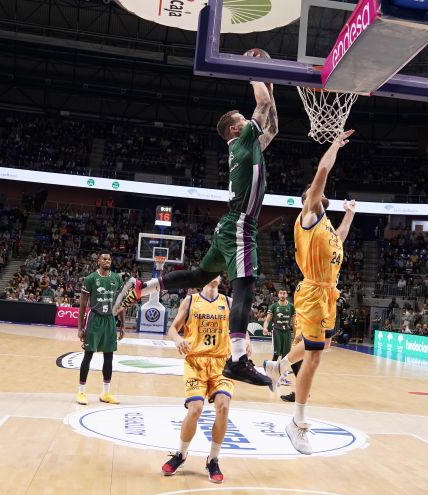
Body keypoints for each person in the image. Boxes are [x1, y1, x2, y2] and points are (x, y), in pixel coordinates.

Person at [114, 76, 278, 388]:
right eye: (243, 120)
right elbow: (263, 105)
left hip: (230, 225)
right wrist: (258, 71)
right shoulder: (243, 143)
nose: (248, 121)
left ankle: (142, 286)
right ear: (234, 130)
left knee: (200, 276)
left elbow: (272, 126)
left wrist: (270, 91)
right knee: (245, 285)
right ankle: (239, 359)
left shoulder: (247, 146)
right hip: (241, 224)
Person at [263, 129, 357, 454]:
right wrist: (334, 146)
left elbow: (340, 239)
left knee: (320, 352)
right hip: (313, 293)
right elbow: (321, 172)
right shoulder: (308, 217)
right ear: (309, 201)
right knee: (314, 356)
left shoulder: (327, 226)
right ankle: (297, 422)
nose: (316, 194)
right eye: (313, 194)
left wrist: (349, 214)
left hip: (329, 294)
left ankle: (279, 366)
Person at [161, 276, 250, 484]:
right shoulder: (190, 301)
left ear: (220, 278)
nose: (213, 275)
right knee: (195, 409)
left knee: (224, 407)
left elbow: (241, 331)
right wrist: (178, 339)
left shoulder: (228, 302)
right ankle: (181, 454)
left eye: (217, 272)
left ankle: (213, 459)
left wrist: (246, 342)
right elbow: (172, 329)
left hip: (221, 363)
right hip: (196, 362)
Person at [76, 251, 125, 406]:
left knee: (109, 357)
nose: (107, 261)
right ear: (98, 261)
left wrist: (122, 325)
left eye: (109, 259)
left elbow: (120, 302)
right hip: (95, 319)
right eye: (104, 258)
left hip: (110, 319)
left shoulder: (117, 278)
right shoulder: (90, 279)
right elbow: (83, 304)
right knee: (88, 355)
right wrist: (80, 327)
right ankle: (81, 392)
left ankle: (105, 393)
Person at [263, 289, 296, 364]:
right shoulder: (273, 306)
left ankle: (282, 371)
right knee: (276, 353)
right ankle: (271, 370)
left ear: (286, 295)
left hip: (287, 332)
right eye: (280, 293)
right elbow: (267, 320)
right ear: (278, 295)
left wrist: (295, 335)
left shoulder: (291, 306)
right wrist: (265, 328)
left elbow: (294, 323)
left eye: (284, 293)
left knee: (286, 355)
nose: (282, 295)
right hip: (277, 332)